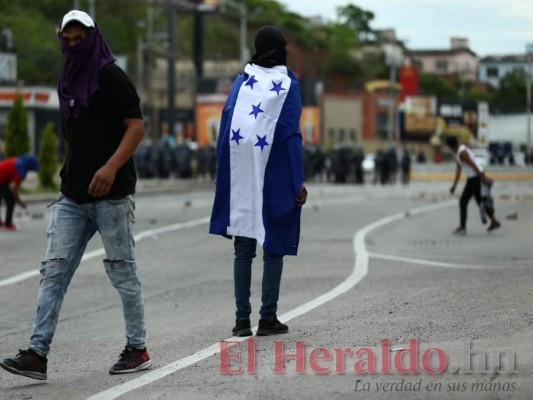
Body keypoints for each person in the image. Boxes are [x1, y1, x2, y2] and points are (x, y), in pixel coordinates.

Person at [0, 10, 151, 380]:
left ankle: (138, 347)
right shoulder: (66, 78)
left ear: (92, 36)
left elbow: (137, 126)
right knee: (53, 271)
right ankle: (37, 354)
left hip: (112, 194)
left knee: (122, 271)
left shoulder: (112, 76)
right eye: (66, 39)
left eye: (78, 38)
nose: (72, 45)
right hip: (72, 195)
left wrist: (111, 166)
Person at [209, 26, 307, 337]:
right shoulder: (287, 84)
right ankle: (267, 318)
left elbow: (226, 127)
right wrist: (297, 181)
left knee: (243, 247)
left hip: (241, 171)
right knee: (273, 245)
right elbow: (291, 136)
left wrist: (223, 175)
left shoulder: (242, 80)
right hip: (274, 171)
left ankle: (241, 321)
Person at [446, 135, 500, 236]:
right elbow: (458, 170)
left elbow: (473, 164)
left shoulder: (462, 153)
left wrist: (482, 177)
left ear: (450, 146)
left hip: (475, 177)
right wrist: (454, 186)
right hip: (474, 177)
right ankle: (494, 221)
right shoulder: (459, 152)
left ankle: (462, 227)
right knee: (480, 201)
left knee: (463, 201)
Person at [0, 154, 39, 230]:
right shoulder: (20, 171)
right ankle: (8, 223)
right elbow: (14, 190)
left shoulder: (19, 161)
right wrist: (21, 203)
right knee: (11, 200)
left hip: (2, 180)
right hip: (1, 180)